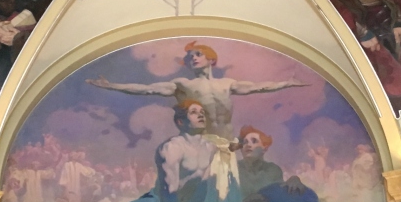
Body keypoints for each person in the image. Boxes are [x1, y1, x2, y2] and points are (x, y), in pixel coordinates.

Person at [87, 41, 306, 144]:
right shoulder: (184, 84)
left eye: (198, 54)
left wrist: (286, 83)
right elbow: (147, 89)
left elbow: (259, 87)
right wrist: (112, 86)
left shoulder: (227, 84)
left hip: (227, 143)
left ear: (211, 59)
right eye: (190, 57)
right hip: (200, 143)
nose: (193, 58)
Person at [151, 100, 239, 202]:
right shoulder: (172, 148)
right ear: (180, 122)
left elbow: (201, 185)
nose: (200, 115)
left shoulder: (209, 148)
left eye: (202, 112)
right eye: (193, 112)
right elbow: (168, 190)